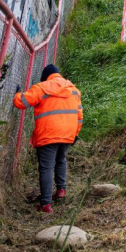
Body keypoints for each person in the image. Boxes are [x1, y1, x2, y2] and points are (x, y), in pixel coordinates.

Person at [13, 64, 82, 213]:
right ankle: (61, 190)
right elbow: (80, 116)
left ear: (45, 77)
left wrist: (18, 93)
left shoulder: (41, 87)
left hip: (47, 134)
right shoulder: (74, 90)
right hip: (67, 134)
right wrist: (75, 134)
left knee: (46, 168)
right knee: (61, 160)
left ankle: (45, 204)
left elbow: (21, 103)